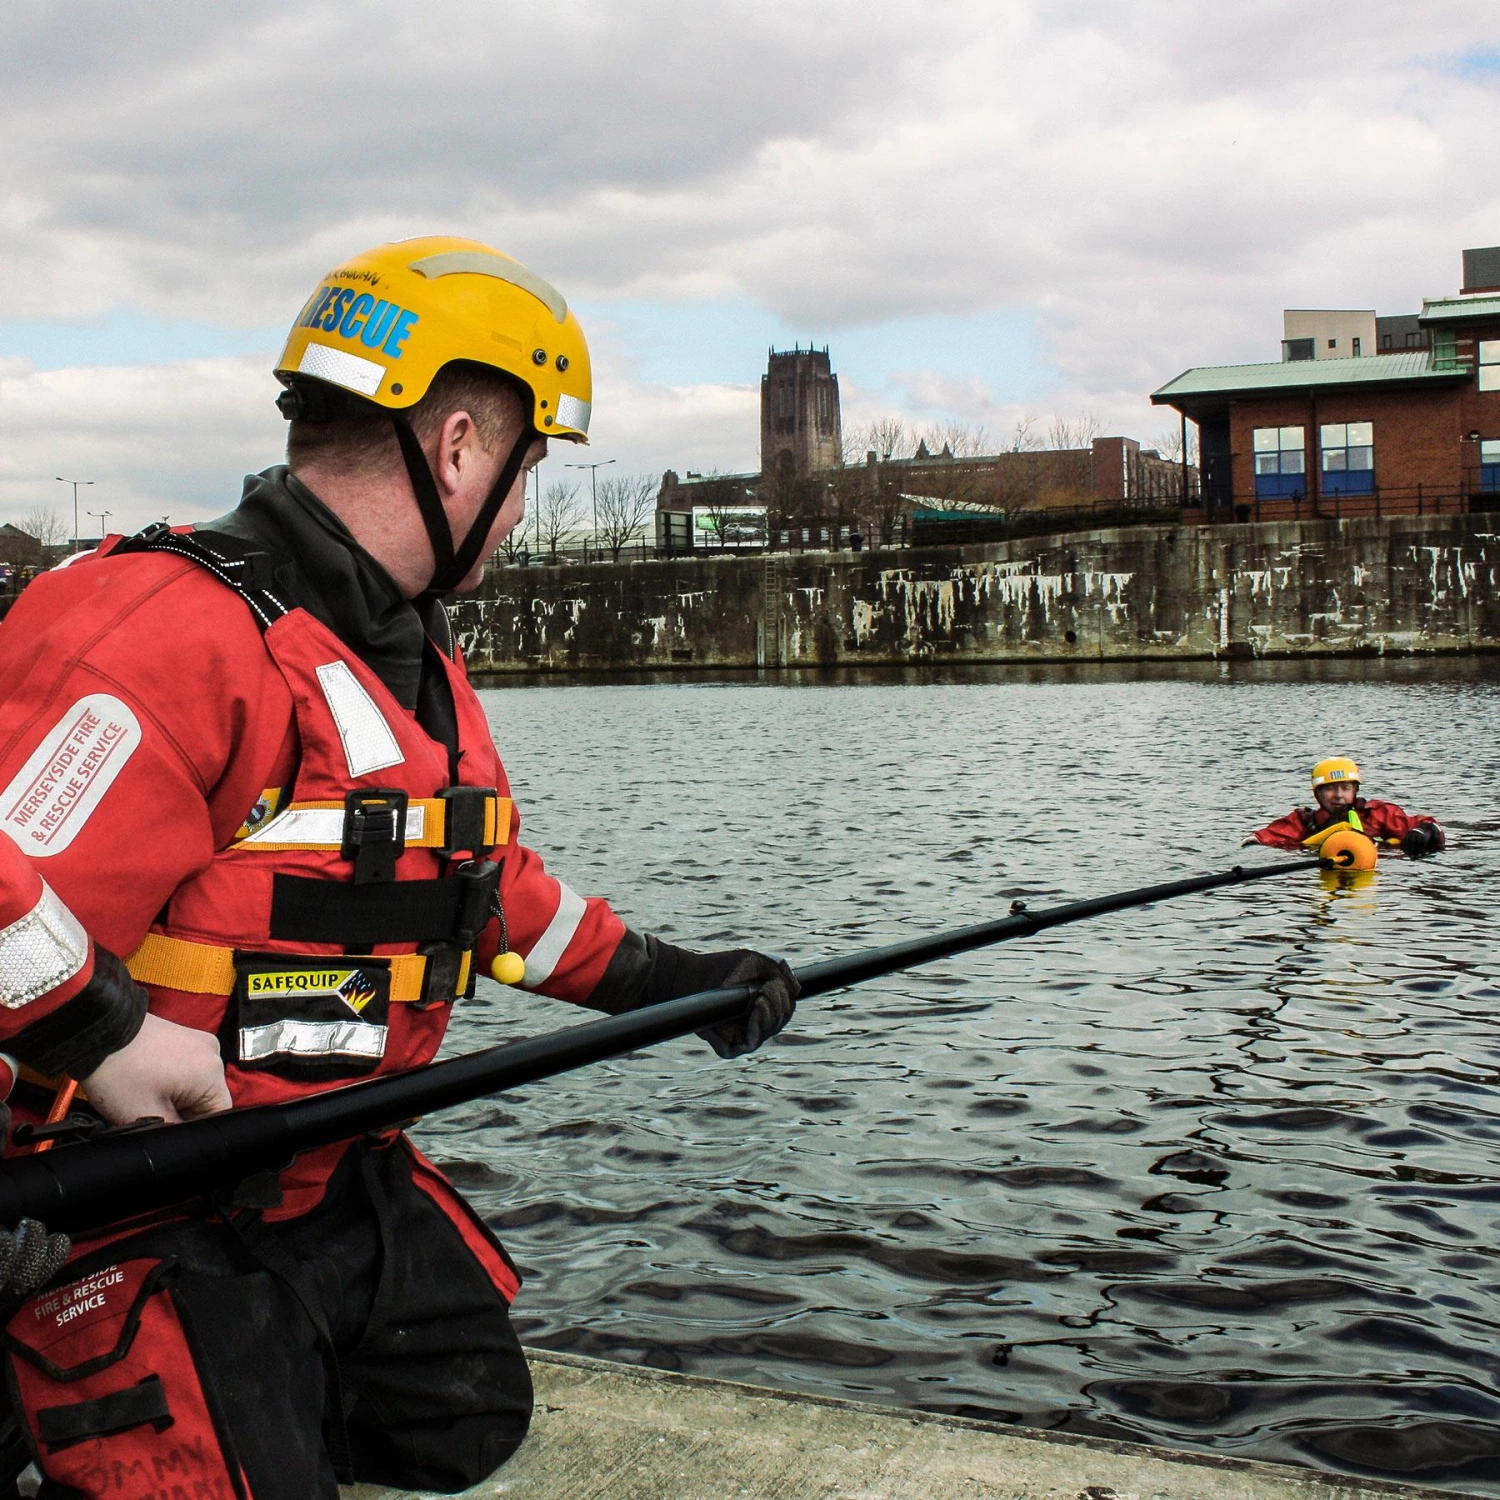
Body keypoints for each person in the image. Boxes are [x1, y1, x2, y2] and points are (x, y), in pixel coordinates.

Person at [0, 236, 798, 1498]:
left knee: (462, 1415)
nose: (522, 509)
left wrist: (665, 981)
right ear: (463, 447)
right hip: (131, 1196)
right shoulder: (167, 632)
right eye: (531, 470)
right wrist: (97, 1034)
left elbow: (473, 886)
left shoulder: (395, 648)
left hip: (314, 1170)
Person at [1247, 757, 1445, 857]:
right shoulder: (1303, 823)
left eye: (1345, 788)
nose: (1339, 795)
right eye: (1330, 789)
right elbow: (1260, 839)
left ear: (1355, 790)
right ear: (1317, 793)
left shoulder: (1378, 814)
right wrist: (1253, 846)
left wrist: (1423, 832)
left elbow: (1429, 825)